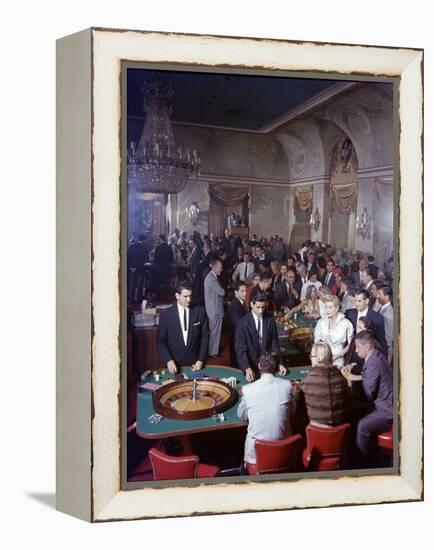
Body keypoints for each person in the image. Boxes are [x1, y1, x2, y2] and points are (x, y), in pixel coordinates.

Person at [237, 352, 295, 467]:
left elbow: (241, 415)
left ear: (259, 366)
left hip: (256, 459)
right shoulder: (287, 385)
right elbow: (292, 412)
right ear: (276, 367)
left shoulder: (248, 390)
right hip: (284, 452)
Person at [349, 331, 393, 466]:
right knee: (356, 413)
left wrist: (351, 386)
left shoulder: (373, 363)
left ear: (367, 347)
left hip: (387, 411)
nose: (356, 351)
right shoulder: (377, 356)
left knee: (362, 425)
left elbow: (367, 395)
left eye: (358, 347)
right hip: (385, 404)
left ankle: (364, 463)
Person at [156, 281, 210, 374]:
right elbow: (161, 341)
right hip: (174, 364)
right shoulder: (166, 316)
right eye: (185, 296)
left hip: (195, 364)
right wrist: (168, 360)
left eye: (190, 296)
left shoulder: (200, 311)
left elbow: (205, 336)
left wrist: (201, 359)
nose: (189, 299)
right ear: (177, 296)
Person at [235, 292, 287, 382]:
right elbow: (240, 350)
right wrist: (247, 368)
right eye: (258, 307)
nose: (261, 311)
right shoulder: (242, 323)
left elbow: (275, 343)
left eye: (263, 307)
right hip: (251, 367)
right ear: (251, 304)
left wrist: (280, 363)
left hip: (267, 367)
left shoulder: (270, 319)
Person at [302, 341, 350, 427]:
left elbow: (301, 406)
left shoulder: (309, 380)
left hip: (317, 428)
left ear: (319, 358)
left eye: (312, 356)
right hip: (340, 425)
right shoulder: (339, 376)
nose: (310, 358)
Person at [314, 295, 354, 369]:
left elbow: (351, 344)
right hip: (323, 359)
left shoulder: (346, 323)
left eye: (330, 307)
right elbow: (316, 342)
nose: (327, 310)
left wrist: (339, 354)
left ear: (337, 308)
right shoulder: (321, 322)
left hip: (339, 360)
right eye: (326, 307)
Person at [345, 289, 387, 357]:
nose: (356, 304)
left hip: (368, 355)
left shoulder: (377, 318)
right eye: (355, 301)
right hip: (351, 355)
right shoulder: (349, 314)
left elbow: (381, 341)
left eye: (359, 301)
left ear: (367, 301)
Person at [204, 257, 225, 357]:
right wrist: (224, 290)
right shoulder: (211, 279)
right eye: (220, 267)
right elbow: (221, 292)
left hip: (213, 309)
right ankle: (213, 352)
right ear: (215, 267)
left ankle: (214, 349)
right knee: (214, 332)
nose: (221, 269)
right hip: (214, 310)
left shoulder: (211, 277)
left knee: (215, 332)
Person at [127, 234, 149, 303]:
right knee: (139, 285)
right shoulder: (144, 248)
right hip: (140, 269)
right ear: (144, 240)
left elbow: (128, 257)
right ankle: (139, 299)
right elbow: (145, 260)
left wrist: (131, 267)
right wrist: (136, 267)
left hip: (131, 269)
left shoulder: (131, 246)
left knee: (132, 285)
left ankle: (131, 300)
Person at [153, 234, 173, 298]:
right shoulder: (169, 248)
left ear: (161, 239)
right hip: (167, 268)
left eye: (159, 239)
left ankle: (158, 295)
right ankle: (165, 295)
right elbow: (171, 259)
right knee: (166, 283)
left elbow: (155, 260)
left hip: (159, 268)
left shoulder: (158, 248)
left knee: (158, 282)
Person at [377, 286, 394, 362]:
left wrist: (387, 361)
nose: (377, 296)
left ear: (386, 297)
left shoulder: (388, 314)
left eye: (379, 294)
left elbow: (389, 341)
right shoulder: (382, 308)